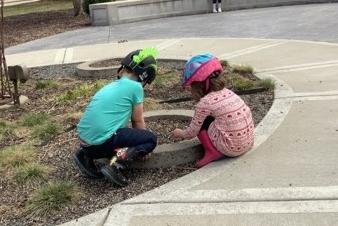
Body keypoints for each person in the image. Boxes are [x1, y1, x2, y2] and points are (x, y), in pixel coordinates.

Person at [73, 48, 158, 186]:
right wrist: (142, 145)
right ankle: (116, 164)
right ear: (145, 77)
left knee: (114, 134)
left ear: (122, 69)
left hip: (85, 142)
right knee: (150, 139)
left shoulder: (110, 86)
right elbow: (137, 120)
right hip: (101, 143)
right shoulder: (136, 87)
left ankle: (84, 155)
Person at [171, 53, 254, 168]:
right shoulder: (229, 93)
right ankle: (231, 143)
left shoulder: (205, 103)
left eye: (193, 86)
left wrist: (180, 133)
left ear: (201, 84)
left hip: (231, 148)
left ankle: (212, 152)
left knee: (202, 122)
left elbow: (192, 132)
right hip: (248, 142)